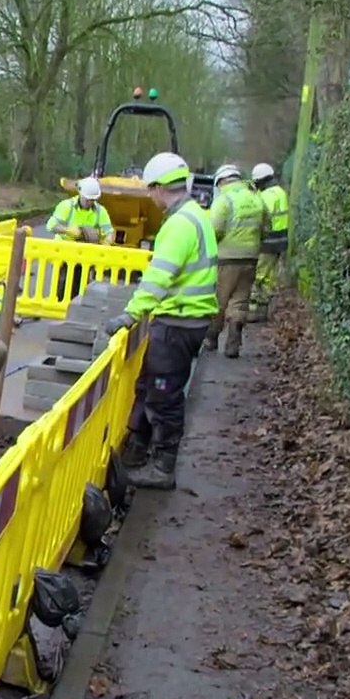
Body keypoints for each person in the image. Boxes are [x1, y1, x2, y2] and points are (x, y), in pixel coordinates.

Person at [103, 152, 218, 491]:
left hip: (179, 322)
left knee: (164, 395)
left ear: (157, 188)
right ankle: (138, 449)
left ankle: (162, 467)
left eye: (150, 191)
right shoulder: (197, 214)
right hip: (187, 320)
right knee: (150, 385)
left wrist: (131, 313)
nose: (150, 199)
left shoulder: (179, 225)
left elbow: (158, 280)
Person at [203, 164, 266, 357]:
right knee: (240, 300)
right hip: (251, 257)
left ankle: (211, 339)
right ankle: (232, 344)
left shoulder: (224, 200)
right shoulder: (256, 198)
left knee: (219, 300)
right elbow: (266, 227)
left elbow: (214, 230)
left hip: (227, 258)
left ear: (221, 182)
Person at [47, 176, 115, 300]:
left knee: (81, 288)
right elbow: (51, 226)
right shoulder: (67, 206)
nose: (90, 202)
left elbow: (109, 231)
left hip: (85, 256)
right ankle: (61, 307)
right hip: (64, 254)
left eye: (93, 199)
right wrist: (68, 230)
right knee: (62, 286)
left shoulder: (100, 211)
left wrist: (106, 242)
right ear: (80, 194)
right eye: (88, 199)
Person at [249, 162, 289, 322]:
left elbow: (258, 219)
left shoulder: (264, 197)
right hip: (280, 242)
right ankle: (263, 310)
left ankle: (253, 312)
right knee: (269, 277)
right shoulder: (281, 192)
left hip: (266, 242)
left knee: (256, 276)